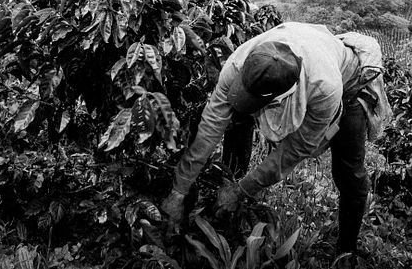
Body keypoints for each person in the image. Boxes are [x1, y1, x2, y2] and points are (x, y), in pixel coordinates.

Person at [160, 22, 391, 268]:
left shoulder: (324, 87)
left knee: (349, 173)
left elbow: (296, 149)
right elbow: (211, 125)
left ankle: (346, 251)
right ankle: (232, 178)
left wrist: (243, 190)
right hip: (310, 52)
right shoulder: (240, 61)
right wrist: (179, 190)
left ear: (281, 99)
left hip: (350, 83)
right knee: (238, 118)